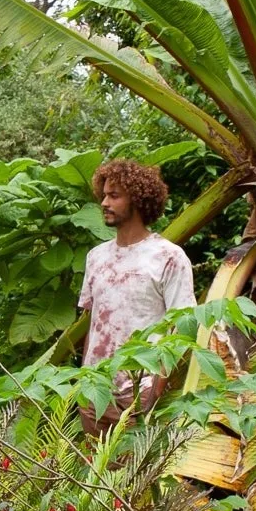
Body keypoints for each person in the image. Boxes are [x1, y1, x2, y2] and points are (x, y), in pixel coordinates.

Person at [78, 158, 195, 423]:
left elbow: (181, 330)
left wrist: (156, 393)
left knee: (136, 465)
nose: (105, 203)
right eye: (104, 195)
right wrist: (84, 379)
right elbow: (93, 324)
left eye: (114, 196)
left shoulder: (168, 257)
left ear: (138, 200)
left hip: (140, 392)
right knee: (95, 464)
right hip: (95, 391)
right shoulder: (96, 257)